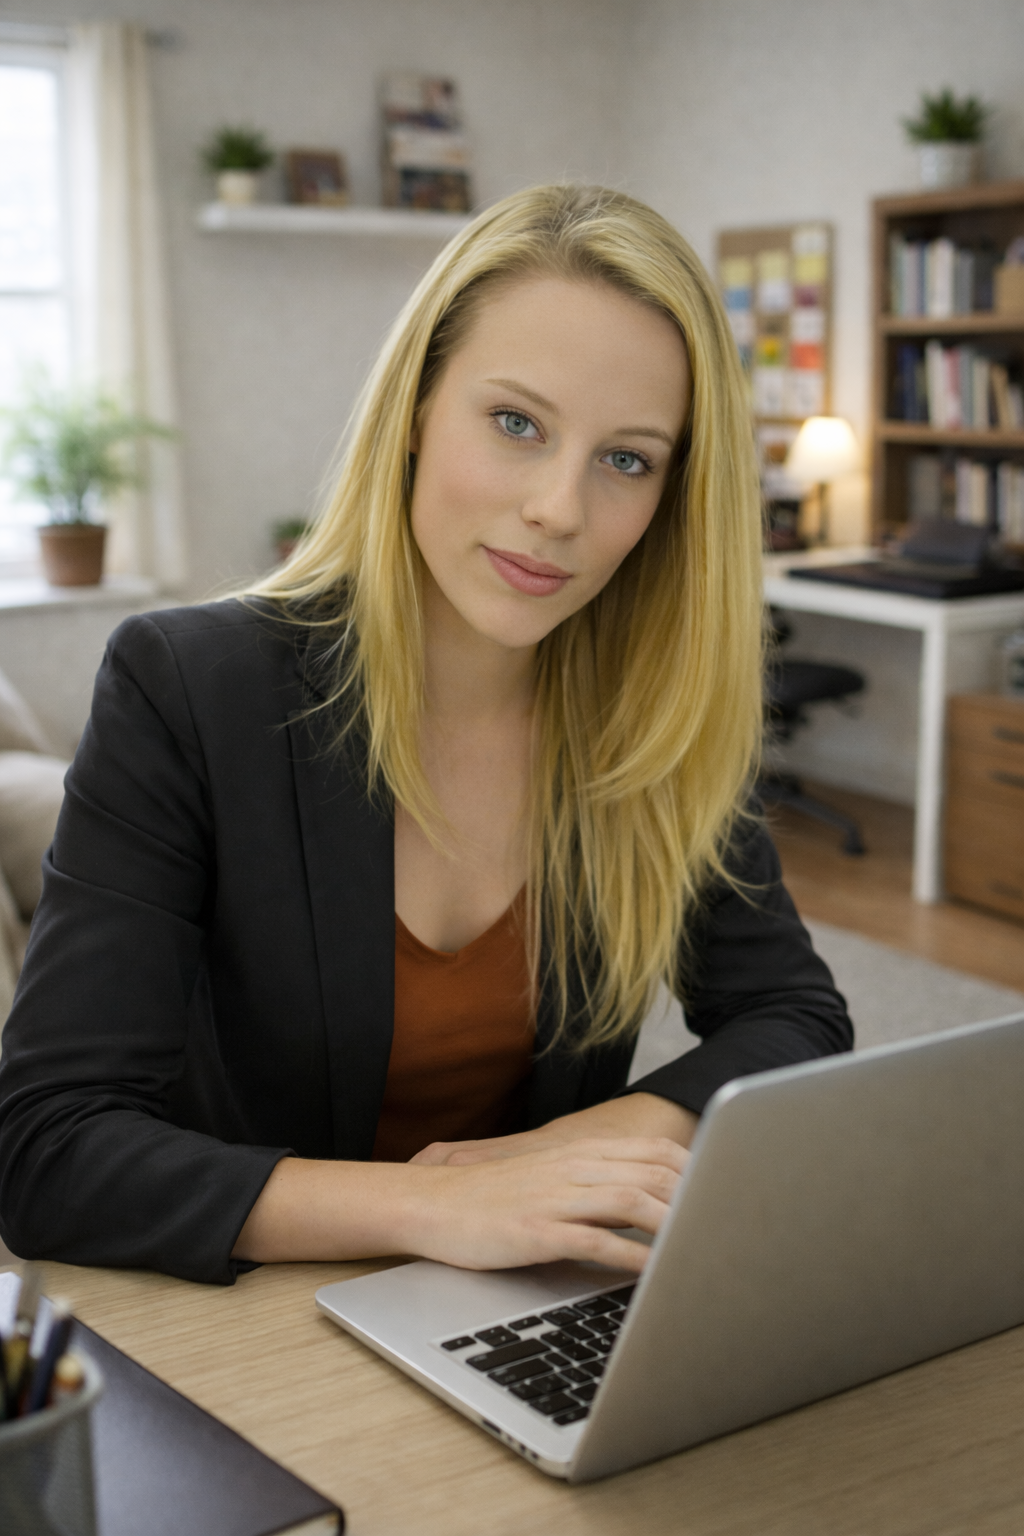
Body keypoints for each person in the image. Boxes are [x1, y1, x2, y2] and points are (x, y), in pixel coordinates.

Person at [0, 185, 852, 1286]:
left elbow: (792, 1014)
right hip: (251, 1325)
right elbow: (46, 1151)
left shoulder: (654, 718)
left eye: (627, 459)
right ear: (414, 409)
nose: (559, 508)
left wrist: (586, 1147)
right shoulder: (186, 686)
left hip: (520, 1306)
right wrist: (439, 1202)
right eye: (515, 424)